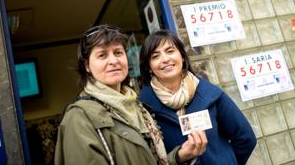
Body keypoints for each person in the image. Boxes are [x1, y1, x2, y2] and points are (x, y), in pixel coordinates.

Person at [55, 25, 207, 165]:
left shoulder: (138, 107)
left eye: (118, 52)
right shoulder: (79, 117)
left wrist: (179, 156)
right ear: (87, 66)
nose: (113, 61)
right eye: (102, 55)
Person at [138, 29, 257, 165]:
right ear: (149, 67)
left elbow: (245, 138)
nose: (165, 59)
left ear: (182, 56)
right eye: (155, 56)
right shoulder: (143, 110)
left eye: (170, 51)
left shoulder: (210, 94)